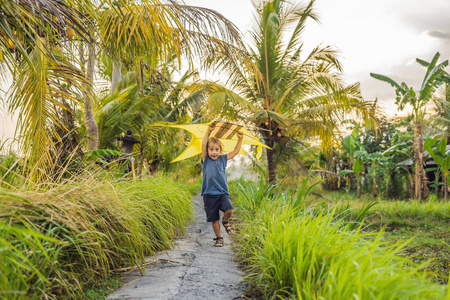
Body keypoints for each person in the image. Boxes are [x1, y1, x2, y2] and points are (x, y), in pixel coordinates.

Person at [201, 123, 243, 247]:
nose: (214, 152)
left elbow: (235, 152)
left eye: (217, 149)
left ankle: (226, 221)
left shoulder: (223, 159)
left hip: (222, 193)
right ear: (207, 150)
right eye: (211, 149)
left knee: (229, 210)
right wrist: (208, 131)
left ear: (220, 150)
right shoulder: (206, 160)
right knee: (214, 219)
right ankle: (219, 238)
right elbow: (203, 144)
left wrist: (240, 139)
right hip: (209, 195)